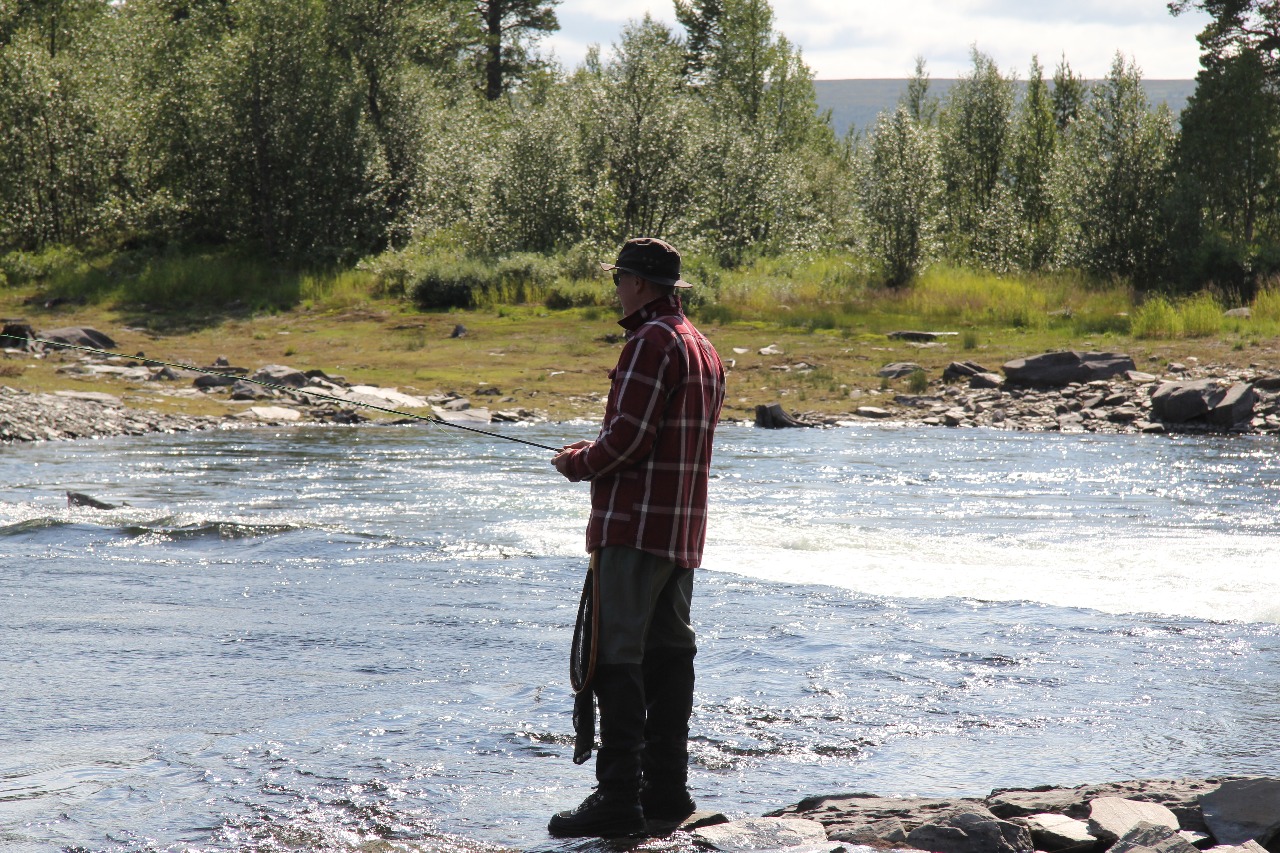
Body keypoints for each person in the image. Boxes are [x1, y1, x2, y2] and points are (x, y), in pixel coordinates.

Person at [548, 237, 726, 838]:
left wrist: (576, 462)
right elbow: (658, 435)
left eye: (619, 279)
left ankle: (619, 797)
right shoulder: (702, 346)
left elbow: (628, 439)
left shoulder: (650, 342)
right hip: (681, 529)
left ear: (641, 284)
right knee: (669, 653)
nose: (616, 289)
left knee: (615, 656)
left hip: (634, 525)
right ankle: (667, 793)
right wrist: (594, 450)